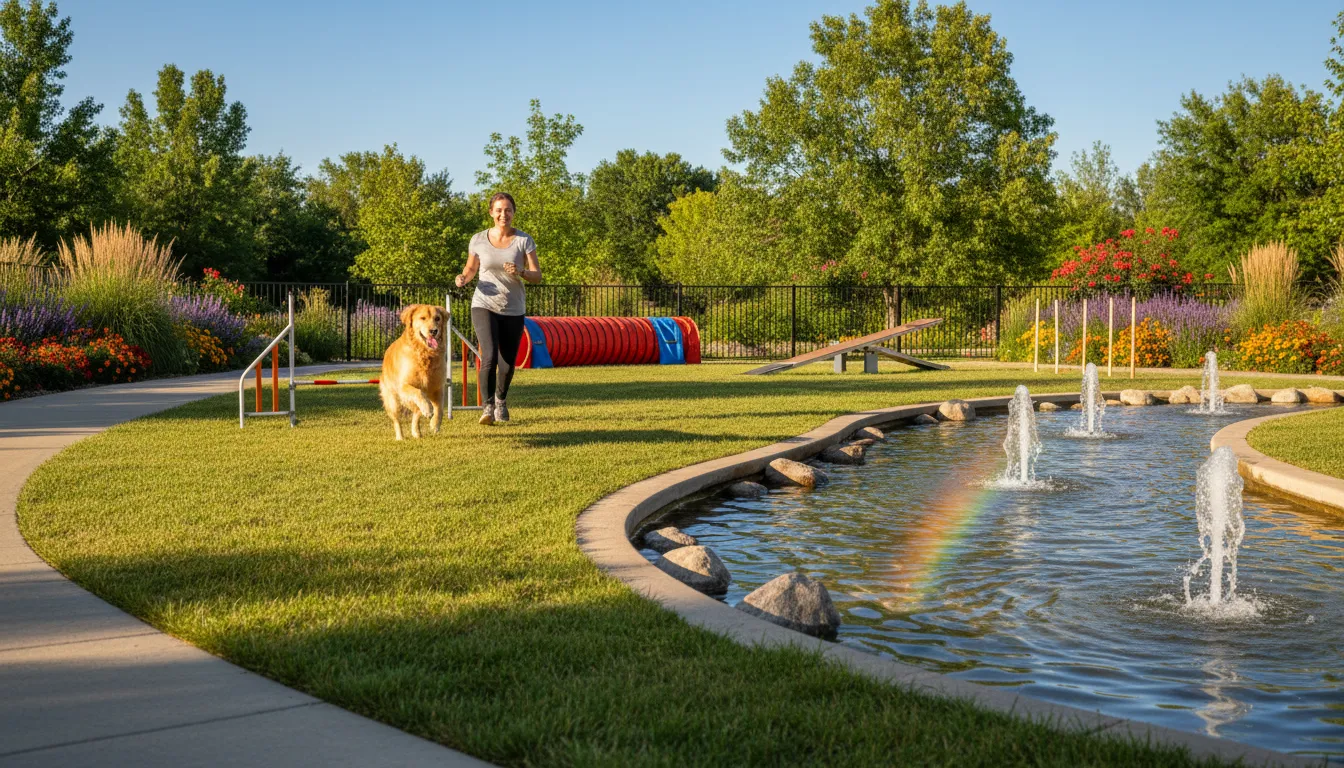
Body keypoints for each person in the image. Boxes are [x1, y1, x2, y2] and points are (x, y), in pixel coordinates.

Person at [455, 192, 542, 424]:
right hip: (483, 303)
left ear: (513, 213)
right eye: (499, 210)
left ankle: (501, 401)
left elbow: (537, 275)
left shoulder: (524, 241)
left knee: (507, 362)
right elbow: (471, 268)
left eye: (508, 210)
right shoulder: (478, 239)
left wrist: (521, 272)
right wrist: (463, 277)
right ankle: (487, 407)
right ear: (491, 213)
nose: (504, 214)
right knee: (489, 355)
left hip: (513, 308)